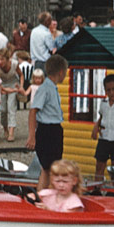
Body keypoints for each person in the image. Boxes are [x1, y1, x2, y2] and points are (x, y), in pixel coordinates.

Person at [26, 54, 69, 193]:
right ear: (61, 72)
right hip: (47, 130)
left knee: (49, 168)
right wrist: (32, 136)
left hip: (54, 129)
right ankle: (44, 196)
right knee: (49, 168)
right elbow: (33, 111)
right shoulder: (45, 89)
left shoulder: (52, 88)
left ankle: (43, 195)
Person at [0, 47, 21, 141]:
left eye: (2, 59)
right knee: (3, 109)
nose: (0, 61)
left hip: (12, 84)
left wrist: (21, 86)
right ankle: (5, 128)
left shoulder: (14, 64)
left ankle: (11, 132)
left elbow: (21, 75)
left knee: (11, 107)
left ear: (7, 59)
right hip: (2, 85)